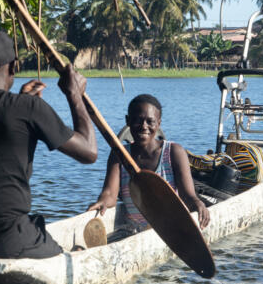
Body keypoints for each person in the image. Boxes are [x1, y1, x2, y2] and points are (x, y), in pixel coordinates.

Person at [0, 29, 97, 258]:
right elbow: (89, 152)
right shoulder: (28, 109)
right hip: (10, 241)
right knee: (70, 253)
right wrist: (75, 95)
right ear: (15, 67)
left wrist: (23, 103)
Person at [87, 94, 210, 237]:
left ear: (158, 124)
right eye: (137, 121)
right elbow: (109, 194)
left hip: (170, 231)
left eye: (150, 122)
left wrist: (197, 204)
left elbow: (187, 195)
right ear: (128, 121)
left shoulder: (174, 152)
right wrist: (102, 202)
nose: (144, 127)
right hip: (134, 232)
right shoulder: (119, 155)